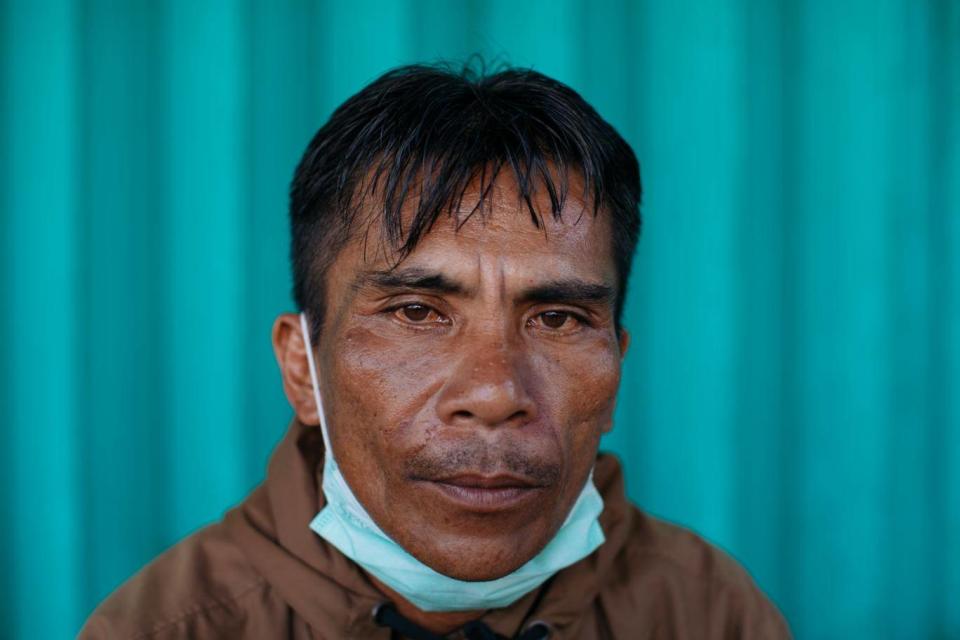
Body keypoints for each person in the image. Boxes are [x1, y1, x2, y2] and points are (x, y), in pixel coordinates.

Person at [79, 63, 791, 639]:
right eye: (416, 312)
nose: (494, 393)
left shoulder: (712, 616)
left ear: (617, 364)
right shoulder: (162, 630)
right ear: (302, 368)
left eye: (558, 318)